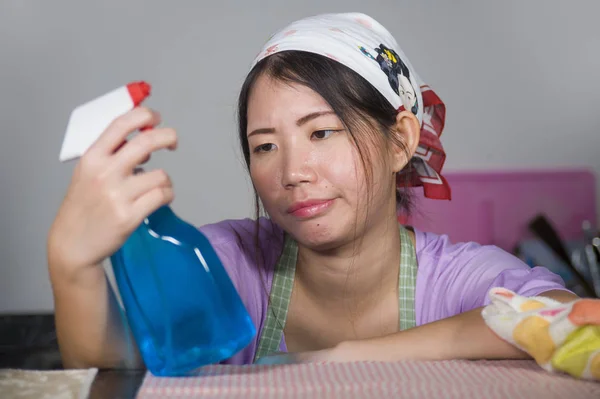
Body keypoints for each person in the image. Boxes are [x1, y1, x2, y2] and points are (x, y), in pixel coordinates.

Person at [47, 12, 577, 369]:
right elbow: (121, 372)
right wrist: (72, 268)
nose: (292, 172)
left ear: (400, 141)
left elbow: (566, 320)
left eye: (321, 133)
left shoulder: (462, 280)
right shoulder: (224, 264)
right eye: (264, 146)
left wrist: (349, 356)